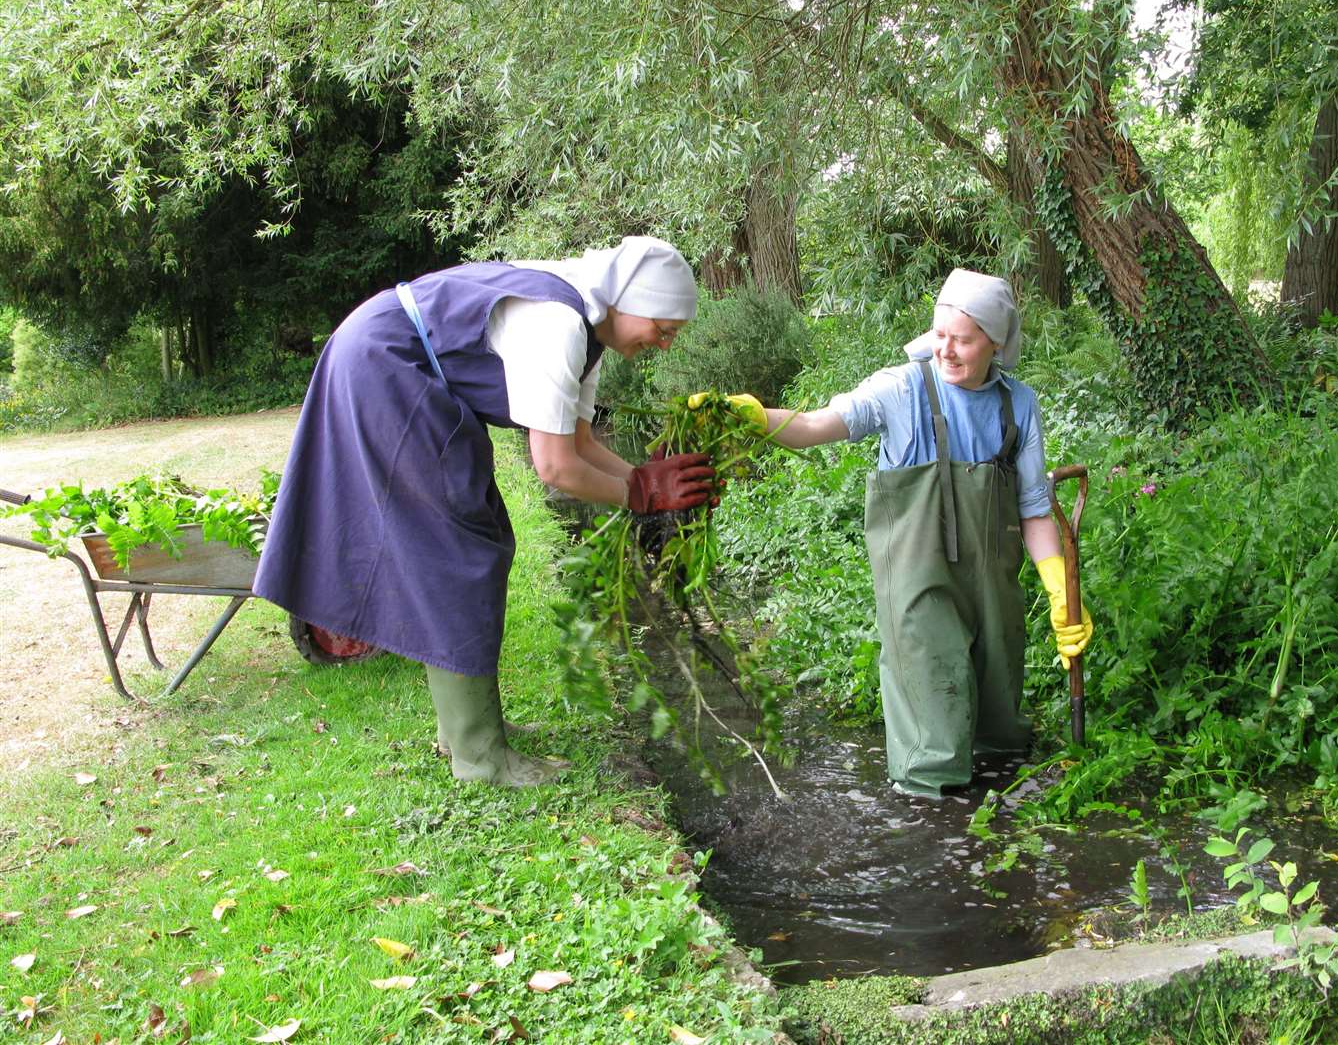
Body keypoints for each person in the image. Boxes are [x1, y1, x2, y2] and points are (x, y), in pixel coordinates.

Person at [255, 237, 715, 788]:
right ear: (631, 300)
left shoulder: (588, 327)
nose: (663, 345)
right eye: (661, 329)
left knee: (483, 537)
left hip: (407, 372)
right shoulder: (558, 324)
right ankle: (480, 759)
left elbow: (582, 444)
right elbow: (556, 468)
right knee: (455, 551)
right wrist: (641, 494)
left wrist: (645, 484)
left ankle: (472, 731)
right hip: (386, 367)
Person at [696, 270, 1093, 798]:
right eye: (939, 334)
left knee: (1000, 728)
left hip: (995, 586)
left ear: (995, 343)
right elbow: (819, 426)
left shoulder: (1016, 405)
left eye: (963, 339)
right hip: (918, 583)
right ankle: (937, 834)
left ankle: (1004, 815)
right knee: (936, 740)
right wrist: (752, 415)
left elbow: (1034, 509)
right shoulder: (901, 389)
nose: (945, 350)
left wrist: (1059, 589)